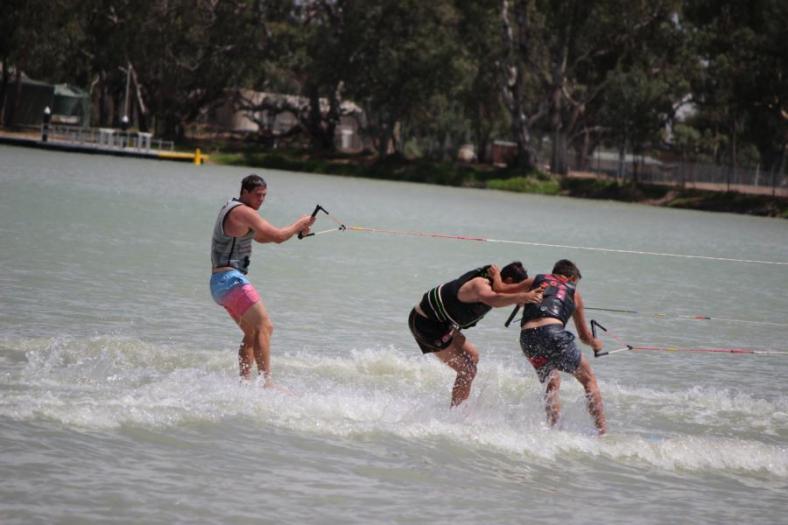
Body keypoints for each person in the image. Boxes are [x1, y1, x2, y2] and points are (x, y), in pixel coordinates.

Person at [210, 174, 316, 386]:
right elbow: (277, 236)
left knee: (252, 332)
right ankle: (267, 384)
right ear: (245, 192)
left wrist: (296, 231)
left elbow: (263, 237)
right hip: (231, 280)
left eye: (264, 195)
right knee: (265, 327)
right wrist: (299, 224)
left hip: (220, 284)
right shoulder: (243, 211)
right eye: (257, 195)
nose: (261, 199)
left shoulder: (234, 210)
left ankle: (245, 383)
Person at [408, 262, 544, 407]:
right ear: (509, 281)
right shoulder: (480, 284)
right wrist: (522, 296)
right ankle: (456, 413)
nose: (516, 292)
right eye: (517, 287)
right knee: (468, 371)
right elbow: (494, 299)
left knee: (473, 355)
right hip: (426, 323)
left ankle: (459, 401)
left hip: (441, 323)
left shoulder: (495, 287)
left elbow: (503, 296)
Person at [516, 259, 607, 435]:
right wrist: (596, 343)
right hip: (553, 335)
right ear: (571, 278)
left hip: (527, 339)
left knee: (552, 379)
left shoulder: (537, 283)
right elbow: (584, 337)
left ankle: (553, 427)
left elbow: (507, 292)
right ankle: (603, 433)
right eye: (575, 283)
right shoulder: (573, 293)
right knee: (589, 379)